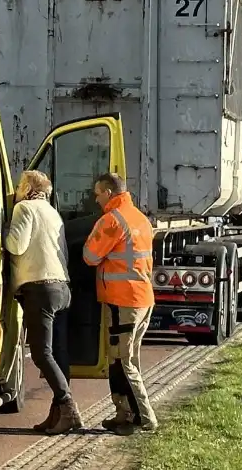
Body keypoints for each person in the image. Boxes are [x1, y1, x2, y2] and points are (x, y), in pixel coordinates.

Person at [4, 171, 81, 435]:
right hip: (62, 287)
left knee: (41, 353)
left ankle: (67, 406)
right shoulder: (52, 212)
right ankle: (56, 414)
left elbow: (16, 245)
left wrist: (1, 232)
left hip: (40, 289)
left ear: (26, 187)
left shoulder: (24, 208)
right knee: (58, 353)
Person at [83, 172, 158, 435]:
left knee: (122, 362)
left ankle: (144, 417)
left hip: (121, 302)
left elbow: (90, 256)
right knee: (125, 361)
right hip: (141, 298)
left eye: (97, 193)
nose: (95, 198)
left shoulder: (111, 221)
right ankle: (123, 413)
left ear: (109, 193)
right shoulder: (140, 218)